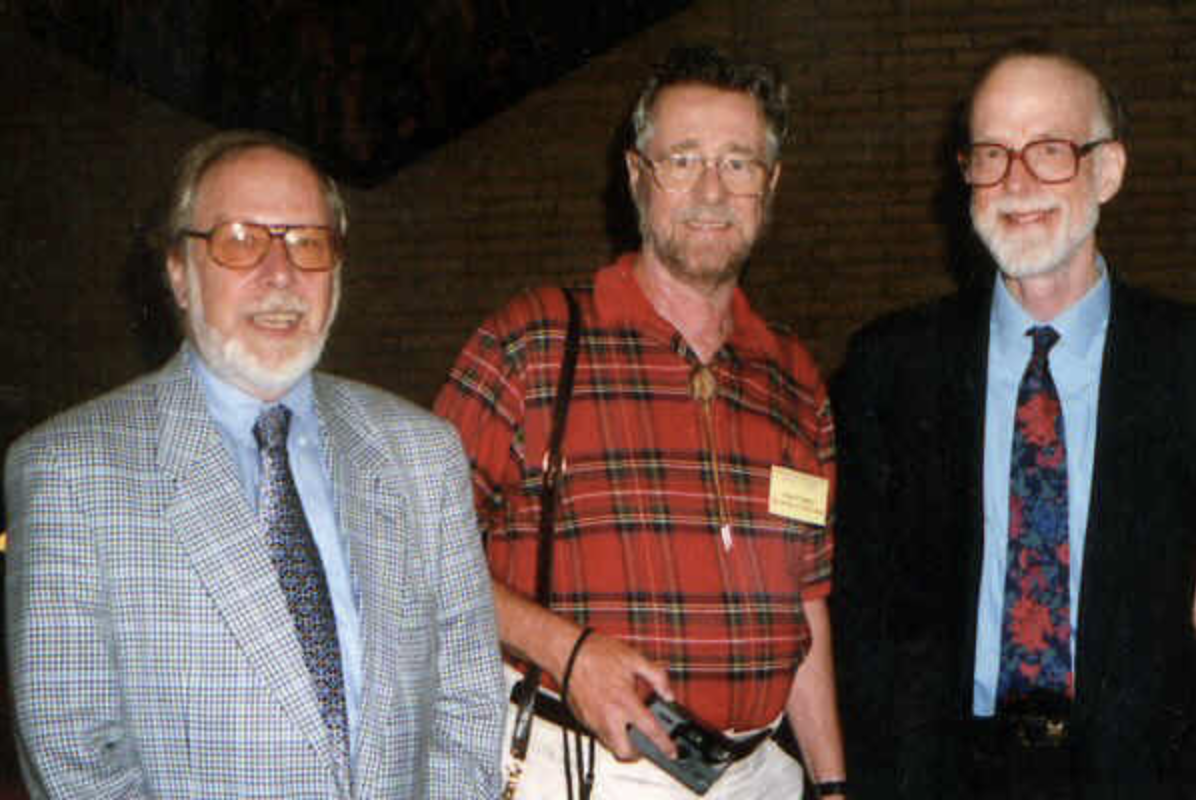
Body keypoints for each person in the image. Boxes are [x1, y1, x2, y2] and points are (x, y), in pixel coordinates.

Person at [4, 130, 505, 798]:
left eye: (308, 243)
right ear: (179, 274)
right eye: (240, 240)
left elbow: (468, 706)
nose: (281, 275)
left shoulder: (422, 453)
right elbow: (74, 757)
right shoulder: (70, 472)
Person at [435, 44, 847, 799]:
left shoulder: (795, 378)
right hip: (585, 768)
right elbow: (413, 559)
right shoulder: (532, 344)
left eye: (739, 163)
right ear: (636, 177)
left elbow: (805, 606)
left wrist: (830, 782)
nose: (712, 191)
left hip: (758, 776)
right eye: (683, 159)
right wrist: (569, 650)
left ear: (771, 184)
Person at [833, 44, 1196, 799]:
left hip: (1149, 773)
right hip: (940, 776)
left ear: (1109, 171)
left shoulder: (1185, 361)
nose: (1017, 181)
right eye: (992, 154)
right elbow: (859, 611)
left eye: (1050, 151)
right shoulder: (890, 368)